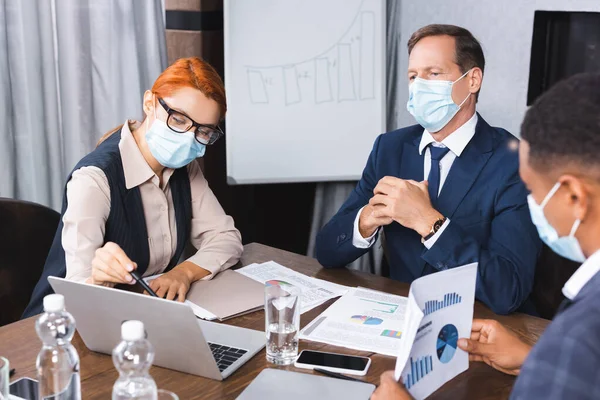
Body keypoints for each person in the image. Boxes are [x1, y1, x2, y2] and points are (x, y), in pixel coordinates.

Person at [371, 73, 600, 399]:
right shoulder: (570, 349)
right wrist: (534, 361)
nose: (531, 203)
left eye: (533, 190)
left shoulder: (578, 337)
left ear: (574, 197)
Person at [315, 24, 541, 315]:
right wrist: (367, 219)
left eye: (433, 74)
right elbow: (326, 251)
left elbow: (508, 289)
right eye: (413, 76)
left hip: (481, 329)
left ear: (472, 80)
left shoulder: (515, 163)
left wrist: (429, 223)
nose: (419, 85)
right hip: (399, 317)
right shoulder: (390, 148)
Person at [23, 57, 243, 318]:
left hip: (138, 315)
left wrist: (182, 273)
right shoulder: (94, 179)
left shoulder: (184, 166)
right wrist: (100, 278)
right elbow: (78, 291)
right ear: (149, 103)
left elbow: (226, 238)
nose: (188, 140)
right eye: (179, 120)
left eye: (203, 131)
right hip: (61, 325)